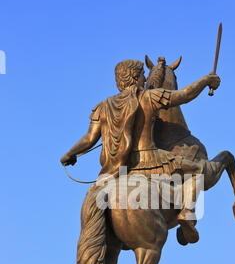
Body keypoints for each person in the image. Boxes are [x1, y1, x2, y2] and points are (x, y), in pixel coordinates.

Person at [61, 59, 220, 244]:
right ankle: (187, 213)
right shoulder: (148, 97)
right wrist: (206, 80)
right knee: (198, 169)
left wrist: (69, 154)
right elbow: (184, 95)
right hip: (154, 162)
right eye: (143, 75)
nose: (145, 79)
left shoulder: (103, 107)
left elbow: (89, 138)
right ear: (135, 77)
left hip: (123, 171)